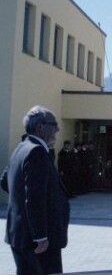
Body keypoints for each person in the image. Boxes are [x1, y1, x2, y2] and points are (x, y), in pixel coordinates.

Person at [2, 105, 70, 275]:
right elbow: (34, 198)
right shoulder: (36, 152)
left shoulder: (21, 148)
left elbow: (5, 181)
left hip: (19, 235)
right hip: (38, 242)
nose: (57, 129)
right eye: (54, 125)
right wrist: (40, 236)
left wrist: (21, 209)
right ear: (41, 127)